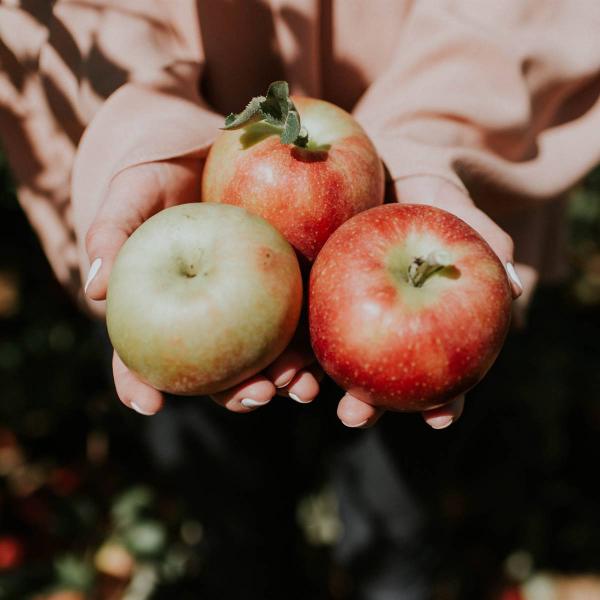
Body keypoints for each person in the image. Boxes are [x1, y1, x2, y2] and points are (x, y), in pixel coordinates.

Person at [2, 1, 600, 598]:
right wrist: (144, 122)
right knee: (233, 511)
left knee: (399, 517)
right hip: (189, 233)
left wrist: (437, 129)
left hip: (423, 207)